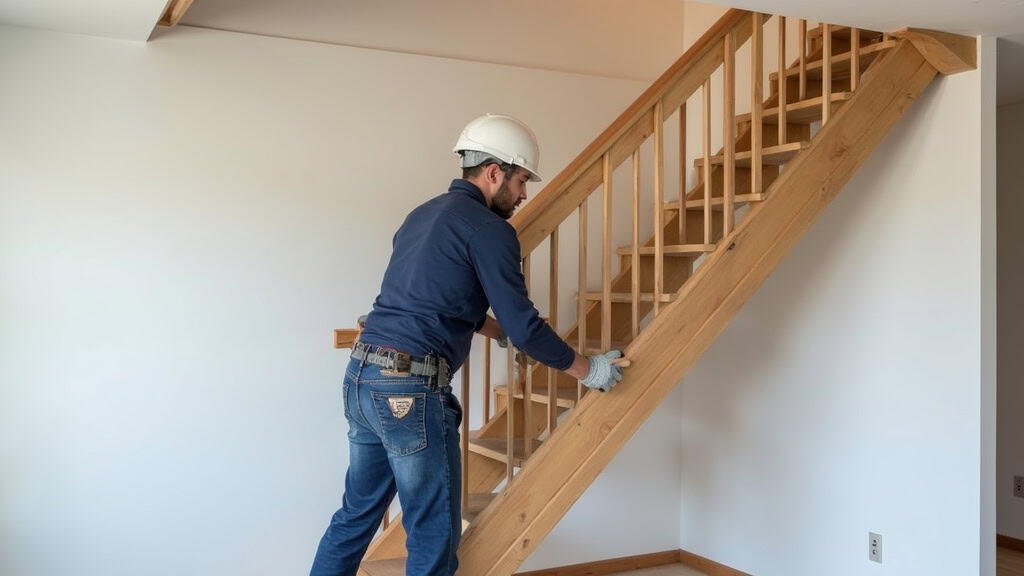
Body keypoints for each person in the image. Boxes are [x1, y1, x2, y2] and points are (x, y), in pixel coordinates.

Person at [310, 113, 625, 576]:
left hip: (363, 378)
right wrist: (588, 369)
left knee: (355, 517)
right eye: (520, 181)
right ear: (494, 172)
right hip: (408, 392)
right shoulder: (490, 230)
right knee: (433, 532)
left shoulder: (421, 215)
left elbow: (435, 296)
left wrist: (494, 332)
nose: (523, 195)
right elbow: (527, 325)